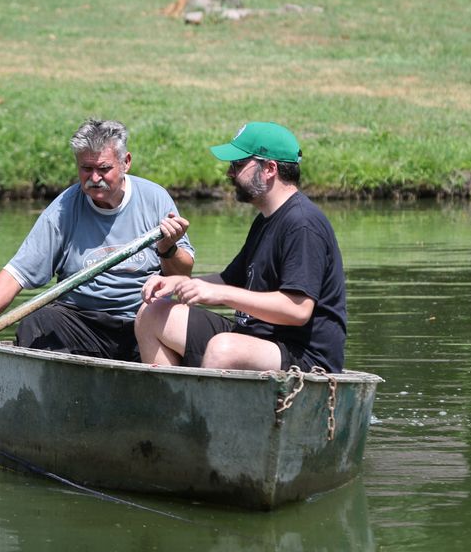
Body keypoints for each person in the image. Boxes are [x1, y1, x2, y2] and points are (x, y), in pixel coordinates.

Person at [0, 118, 193, 365]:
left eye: (104, 169)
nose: (94, 177)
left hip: (144, 320)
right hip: (82, 322)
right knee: (37, 323)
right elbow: (16, 274)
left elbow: (183, 272)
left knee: (190, 325)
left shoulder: (155, 198)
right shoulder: (63, 209)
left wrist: (168, 249)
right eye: (86, 168)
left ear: (126, 163)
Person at [134, 121, 347, 373]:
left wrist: (221, 295)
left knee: (224, 349)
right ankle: (171, 408)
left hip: (303, 357)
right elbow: (229, 280)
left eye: (237, 165)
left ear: (269, 168)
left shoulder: (302, 224)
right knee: (152, 314)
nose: (230, 173)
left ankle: (203, 412)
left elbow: (297, 309)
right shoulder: (266, 219)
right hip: (254, 338)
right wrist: (179, 284)